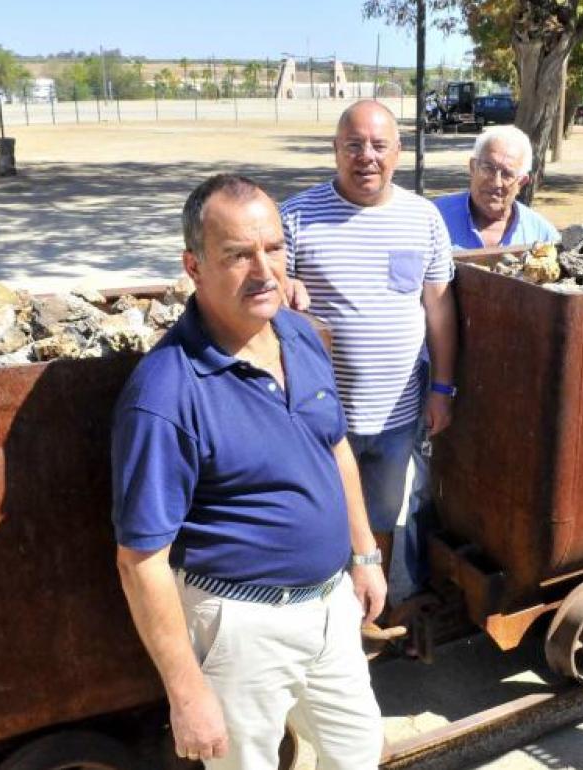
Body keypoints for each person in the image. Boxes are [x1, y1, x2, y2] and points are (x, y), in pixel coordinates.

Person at [111, 174, 385, 769]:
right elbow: (140, 563)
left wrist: (364, 554)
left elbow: (334, 447)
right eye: (238, 254)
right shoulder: (166, 394)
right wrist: (186, 693)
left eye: (274, 248)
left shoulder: (297, 333)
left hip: (331, 608)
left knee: (359, 753)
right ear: (194, 266)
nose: (264, 271)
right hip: (241, 629)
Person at [281, 100, 458, 598]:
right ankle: (324, 609)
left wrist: (443, 387)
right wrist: (284, 290)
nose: (367, 156)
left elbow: (440, 312)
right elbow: (271, 299)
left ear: (397, 153)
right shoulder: (296, 218)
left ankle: (371, 610)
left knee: (381, 519)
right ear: (335, 150)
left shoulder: (423, 219)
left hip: (397, 416)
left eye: (379, 145)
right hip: (318, 420)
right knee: (319, 520)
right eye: (354, 145)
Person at [433, 125, 560, 249]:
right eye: (488, 168)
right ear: (472, 167)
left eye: (507, 174)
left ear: (521, 182)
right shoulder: (434, 219)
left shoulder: (542, 236)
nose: (496, 183)